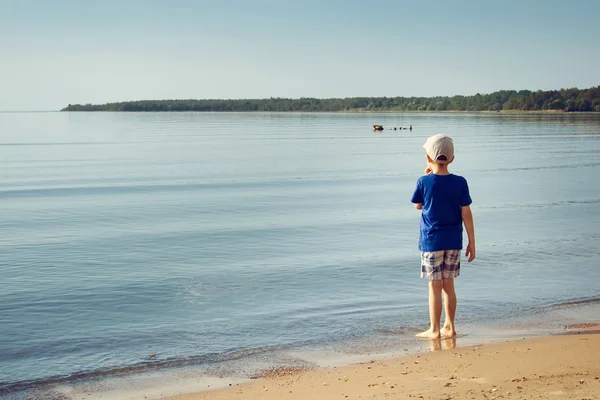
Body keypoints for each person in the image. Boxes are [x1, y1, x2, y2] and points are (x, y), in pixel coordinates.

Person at [410, 134, 475, 339]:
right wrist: (472, 242)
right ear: (452, 159)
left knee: (434, 286)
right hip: (454, 240)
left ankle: (434, 329)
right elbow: (466, 213)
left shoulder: (424, 181)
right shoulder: (460, 182)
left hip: (431, 241)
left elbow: (418, 205)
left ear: (428, 158)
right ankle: (450, 326)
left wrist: (426, 175)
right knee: (449, 285)